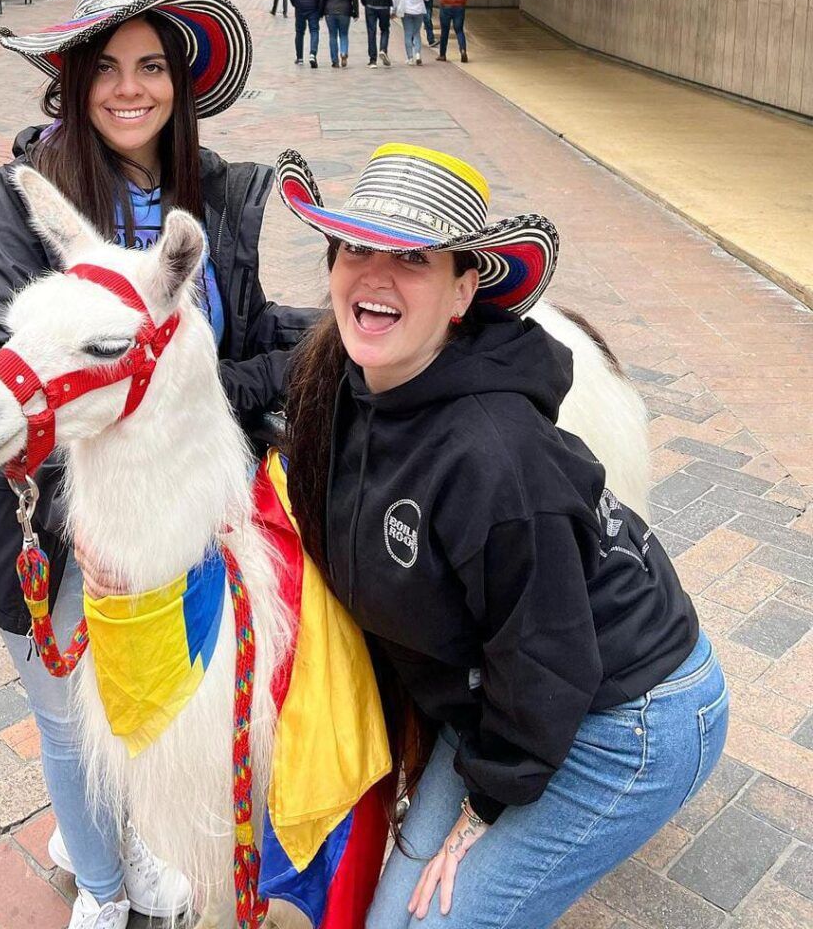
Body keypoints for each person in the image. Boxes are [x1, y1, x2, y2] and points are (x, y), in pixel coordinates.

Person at [0, 0, 318, 929]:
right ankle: (102, 877)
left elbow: (236, 339)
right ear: (75, 82)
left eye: (152, 66)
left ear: (182, 80)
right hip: (54, 520)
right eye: (108, 68)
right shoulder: (28, 201)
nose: (132, 89)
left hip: (175, 519)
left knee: (158, 705)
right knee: (66, 714)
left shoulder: (208, 197)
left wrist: (347, 335)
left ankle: (129, 835)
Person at [276, 143, 728, 929]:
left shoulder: (495, 457)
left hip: (626, 717)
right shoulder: (352, 382)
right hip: (504, 694)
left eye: (413, 257)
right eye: (357, 247)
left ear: (462, 291)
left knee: (437, 921)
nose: (375, 274)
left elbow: (550, 658)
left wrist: (481, 812)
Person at [319, 0, 358, 68]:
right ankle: (344, 52)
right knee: (344, 34)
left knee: (332, 35)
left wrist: (320, 13)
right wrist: (356, 12)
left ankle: (335, 60)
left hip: (330, 11)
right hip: (345, 11)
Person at [393, 0, 430, 65]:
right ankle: (418, 54)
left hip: (407, 10)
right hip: (419, 10)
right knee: (417, 33)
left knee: (408, 34)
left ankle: (410, 58)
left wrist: (394, 10)